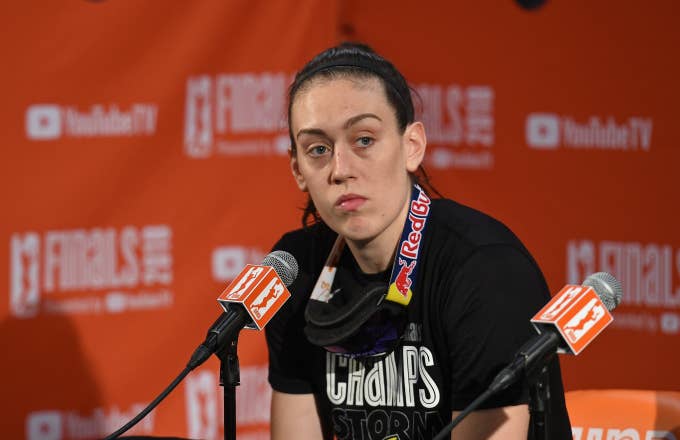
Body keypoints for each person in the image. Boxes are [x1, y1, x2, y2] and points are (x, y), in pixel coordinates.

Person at [265, 42, 572, 439]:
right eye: (318, 149)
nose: (340, 170)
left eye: (364, 140)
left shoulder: (486, 269)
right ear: (298, 171)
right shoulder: (297, 268)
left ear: (412, 147)